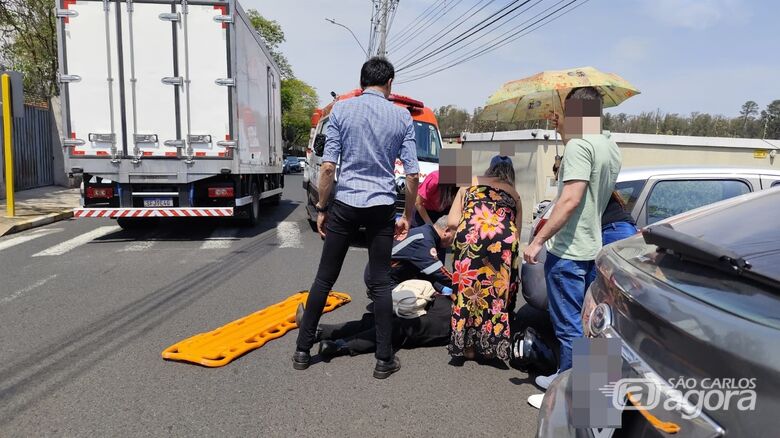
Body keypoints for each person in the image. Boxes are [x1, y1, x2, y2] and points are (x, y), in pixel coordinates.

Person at [293, 57, 420, 380]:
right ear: (389, 83)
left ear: (362, 81)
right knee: (379, 282)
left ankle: (303, 351)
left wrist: (323, 207)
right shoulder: (401, 116)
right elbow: (412, 173)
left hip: (346, 203)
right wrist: (406, 214)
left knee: (324, 278)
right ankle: (383, 359)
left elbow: (327, 167)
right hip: (380, 206)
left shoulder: (342, 111)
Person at [522, 87, 621, 406]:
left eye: (566, 112)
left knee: (568, 328)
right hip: (593, 247)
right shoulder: (609, 145)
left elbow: (570, 199)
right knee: (589, 325)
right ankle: (585, 391)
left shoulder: (579, 147)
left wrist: (537, 240)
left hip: (568, 252)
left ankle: (565, 396)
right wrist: (566, 134)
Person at [300, 215, 456, 357]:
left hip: (385, 276)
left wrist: (445, 289)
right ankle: (336, 343)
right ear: (447, 231)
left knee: (382, 323)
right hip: (385, 280)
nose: (454, 244)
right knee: (389, 323)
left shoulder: (424, 233)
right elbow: (438, 273)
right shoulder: (425, 240)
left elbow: (429, 273)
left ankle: (322, 333)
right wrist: (461, 287)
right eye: (455, 238)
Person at [448, 155, 522, 363]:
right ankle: (489, 347)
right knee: (494, 295)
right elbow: (517, 232)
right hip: (502, 243)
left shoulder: (470, 184)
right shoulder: (513, 194)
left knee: (469, 292)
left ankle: (467, 347)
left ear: (489, 169)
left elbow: (453, 221)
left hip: (470, 240)